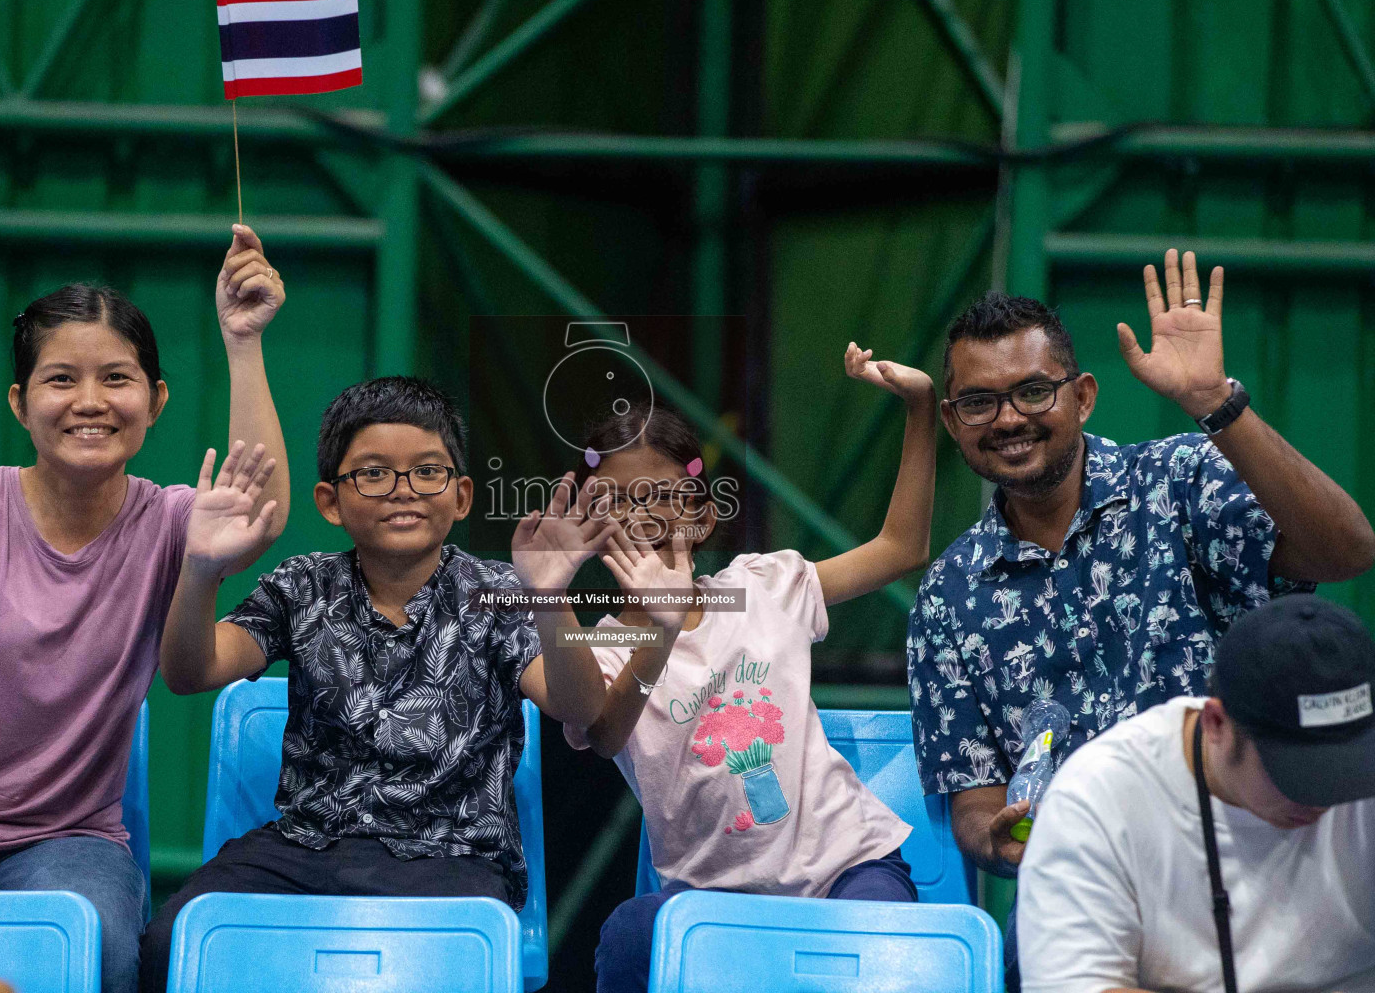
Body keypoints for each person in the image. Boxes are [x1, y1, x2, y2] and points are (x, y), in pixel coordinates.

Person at [0, 225, 290, 993]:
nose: (90, 402)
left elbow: (262, 514)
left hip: (68, 838)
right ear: (20, 402)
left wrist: (242, 341)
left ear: (156, 400)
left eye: (117, 379)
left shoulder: (172, 522)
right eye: (60, 381)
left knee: (106, 956)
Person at [907, 250, 1375, 986]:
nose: (1007, 420)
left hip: (1243, 848)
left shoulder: (1181, 481)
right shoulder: (947, 596)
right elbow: (973, 799)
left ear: (1083, 395)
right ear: (952, 419)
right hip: (1081, 879)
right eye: (979, 402)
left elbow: (1346, 549)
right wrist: (997, 839)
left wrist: (1217, 404)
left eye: (1033, 390)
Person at [138, 376, 608, 991]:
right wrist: (200, 569)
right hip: (304, 848)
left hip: (453, 861)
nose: (403, 491)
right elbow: (189, 672)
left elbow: (583, 706)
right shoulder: (301, 586)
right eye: (374, 474)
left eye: (427, 472)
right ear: (330, 501)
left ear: (461, 495)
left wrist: (550, 600)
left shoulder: (501, 593)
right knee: (173, 937)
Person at [539, 344, 938, 993]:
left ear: (701, 516)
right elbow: (605, 733)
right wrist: (636, 624)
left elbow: (901, 548)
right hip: (712, 905)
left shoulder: (766, 584)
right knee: (628, 936)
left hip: (846, 872)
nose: (637, 513)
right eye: (611, 499)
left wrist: (921, 408)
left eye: (658, 495)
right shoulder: (603, 649)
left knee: (888, 953)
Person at [1016, 594, 1375, 993]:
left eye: (1346, 768)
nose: (1321, 801)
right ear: (1217, 723)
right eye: (1297, 774)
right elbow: (1075, 985)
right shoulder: (1096, 799)